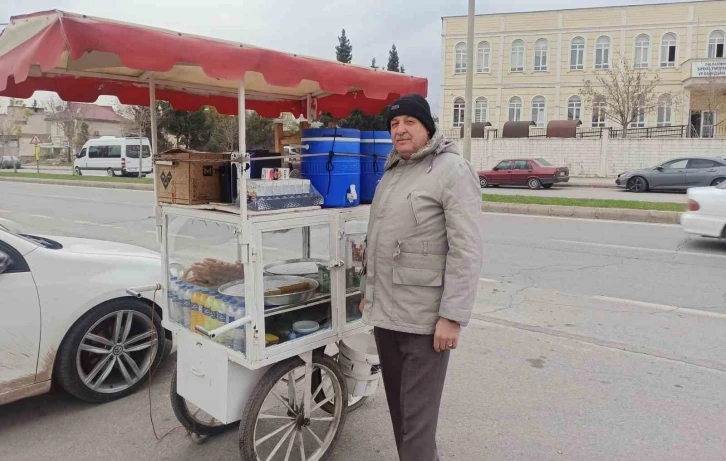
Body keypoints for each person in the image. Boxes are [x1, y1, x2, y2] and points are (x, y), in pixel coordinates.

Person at [358, 93, 483, 461]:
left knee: (417, 423)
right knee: (400, 414)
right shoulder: (393, 171)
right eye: (394, 124)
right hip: (387, 316)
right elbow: (377, 240)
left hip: (425, 322)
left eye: (409, 122)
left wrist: (452, 316)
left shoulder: (452, 170)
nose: (400, 130)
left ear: (427, 127)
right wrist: (369, 292)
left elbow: (466, 250)